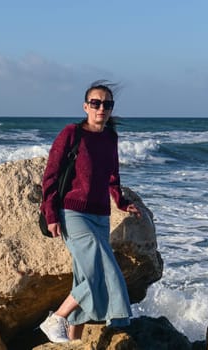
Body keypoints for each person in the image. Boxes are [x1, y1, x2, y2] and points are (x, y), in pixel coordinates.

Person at [39, 80, 142, 343]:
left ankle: (74, 342)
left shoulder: (110, 137)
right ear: (85, 106)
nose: (101, 109)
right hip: (73, 214)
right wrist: (51, 214)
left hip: (100, 216)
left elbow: (113, 176)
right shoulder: (72, 134)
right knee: (105, 272)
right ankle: (57, 318)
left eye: (107, 104)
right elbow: (50, 176)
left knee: (86, 276)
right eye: (95, 103)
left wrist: (120, 202)